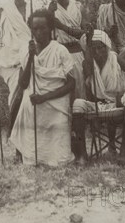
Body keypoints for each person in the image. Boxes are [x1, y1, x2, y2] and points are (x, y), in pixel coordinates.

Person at [10, 9, 76, 167]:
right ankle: (27, 153)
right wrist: (31, 57)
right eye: (35, 28)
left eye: (43, 28)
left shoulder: (60, 50)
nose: (38, 32)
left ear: (50, 28)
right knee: (24, 102)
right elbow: (23, 84)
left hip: (56, 101)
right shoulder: (26, 51)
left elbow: (71, 83)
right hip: (33, 100)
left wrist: (45, 97)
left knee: (61, 161)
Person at [72, 29, 125, 164]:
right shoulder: (88, 62)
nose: (97, 53)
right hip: (98, 105)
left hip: (119, 102)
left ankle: (124, 150)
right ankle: (82, 155)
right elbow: (88, 75)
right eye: (93, 49)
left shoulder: (115, 58)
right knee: (77, 103)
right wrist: (88, 44)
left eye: (100, 48)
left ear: (106, 46)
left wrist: (123, 93)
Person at [0, 0, 32, 161]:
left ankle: (34, 146)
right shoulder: (3, 10)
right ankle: (18, 150)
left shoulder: (34, 6)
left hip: (34, 57)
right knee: (17, 99)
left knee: (33, 101)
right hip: (12, 60)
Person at [48, 0, 87, 99]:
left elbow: (85, 33)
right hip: (58, 55)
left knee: (79, 89)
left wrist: (61, 26)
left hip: (77, 54)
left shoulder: (78, 7)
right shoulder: (49, 10)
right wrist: (49, 15)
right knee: (61, 91)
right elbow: (45, 36)